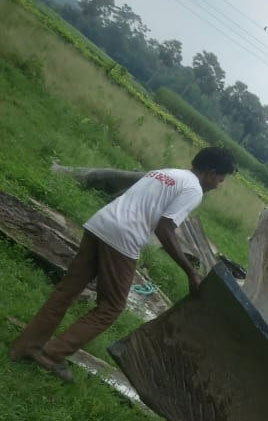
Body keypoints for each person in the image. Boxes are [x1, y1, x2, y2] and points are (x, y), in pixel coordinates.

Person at [8, 147, 236, 383]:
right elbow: (165, 228)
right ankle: (52, 355)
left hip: (102, 222)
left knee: (67, 290)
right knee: (111, 308)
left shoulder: (165, 173)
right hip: (123, 237)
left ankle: (26, 345)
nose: (218, 185)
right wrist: (190, 272)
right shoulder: (193, 190)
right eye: (220, 179)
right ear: (210, 172)